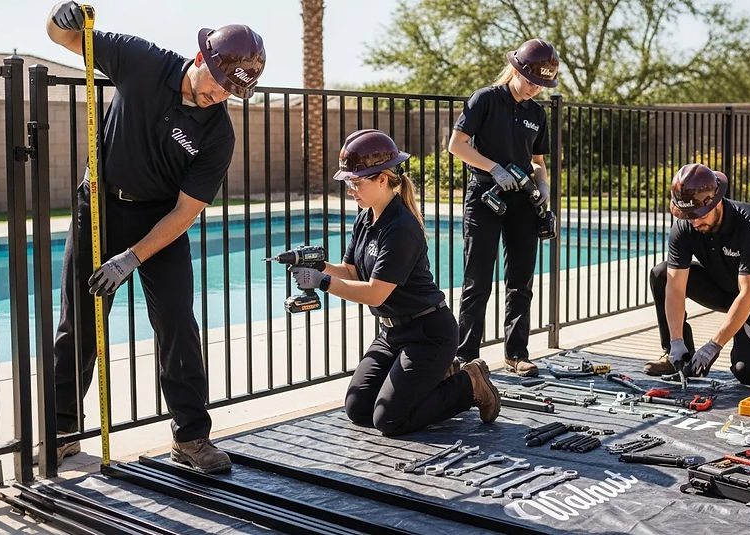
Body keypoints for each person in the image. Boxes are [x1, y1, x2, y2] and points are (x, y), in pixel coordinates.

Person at [46, 1, 265, 472]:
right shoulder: (142, 60)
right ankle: (61, 431)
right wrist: (60, 18)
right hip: (99, 205)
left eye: (231, 92)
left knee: (177, 323)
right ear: (201, 57)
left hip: (161, 222)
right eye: (218, 83)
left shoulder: (218, 135)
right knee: (79, 321)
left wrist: (131, 257)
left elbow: (186, 211)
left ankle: (191, 438)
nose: (219, 96)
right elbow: (65, 38)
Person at [288, 129, 501, 435]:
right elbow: (351, 272)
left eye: (356, 182)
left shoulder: (401, 226)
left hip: (428, 334)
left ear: (382, 179)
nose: (350, 190)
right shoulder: (366, 218)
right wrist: (318, 266)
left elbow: (375, 294)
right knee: (358, 408)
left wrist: (322, 282)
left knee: (389, 420)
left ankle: (469, 384)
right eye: (348, 183)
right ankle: (438, 378)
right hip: (391, 333)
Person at [447, 39, 559, 377]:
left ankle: (516, 354)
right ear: (516, 70)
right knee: (477, 280)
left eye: (541, 84)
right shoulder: (485, 99)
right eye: (531, 81)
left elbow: (537, 161)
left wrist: (543, 185)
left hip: (522, 201)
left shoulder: (537, 113)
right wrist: (493, 168)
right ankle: (466, 356)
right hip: (485, 196)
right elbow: (456, 145)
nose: (535, 88)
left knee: (521, 281)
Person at [643, 163, 750, 385]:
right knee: (662, 274)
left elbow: (749, 293)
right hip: (724, 289)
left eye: (699, 214)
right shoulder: (685, 226)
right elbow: (675, 288)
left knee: (748, 372)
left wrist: (714, 345)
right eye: (688, 215)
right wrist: (676, 341)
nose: (694, 221)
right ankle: (676, 356)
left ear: (716, 201)